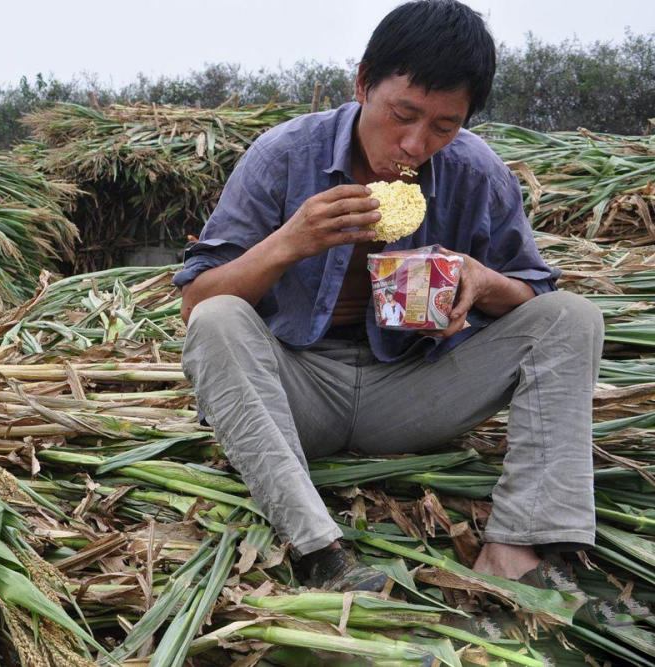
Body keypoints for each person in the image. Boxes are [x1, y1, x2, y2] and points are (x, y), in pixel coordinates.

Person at [174, 0, 603, 594]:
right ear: (362, 83)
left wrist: (483, 281)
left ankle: (518, 545)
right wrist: (286, 245)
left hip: (411, 390)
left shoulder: (474, 172)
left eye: (443, 127)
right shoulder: (282, 156)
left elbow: (534, 291)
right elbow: (196, 301)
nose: (414, 143)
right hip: (297, 394)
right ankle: (320, 551)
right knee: (221, 318)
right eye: (402, 114)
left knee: (572, 318)